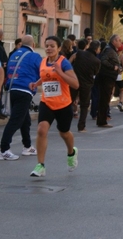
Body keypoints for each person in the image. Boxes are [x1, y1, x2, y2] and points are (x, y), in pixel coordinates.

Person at [28, 36, 79, 177]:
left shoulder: (64, 63)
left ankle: (71, 152)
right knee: (41, 130)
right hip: (47, 102)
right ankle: (40, 165)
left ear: (58, 48)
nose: (49, 48)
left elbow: (75, 84)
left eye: (52, 46)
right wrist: (36, 83)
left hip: (63, 104)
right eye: (47, 46)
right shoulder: (43, 62)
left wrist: (60, 72)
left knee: (64, 132)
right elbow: (46, 77)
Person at [0, 35, 42, 161]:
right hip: (25, 90)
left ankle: (27, 146)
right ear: (33, 45)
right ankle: (4, 149)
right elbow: (42, 72)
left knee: (25, 119)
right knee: (16, 120)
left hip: (13, 88)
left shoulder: (14, 54)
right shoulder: (35, 56)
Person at [70, 40, 101, 132]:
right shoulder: (97, 61)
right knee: (84, 105)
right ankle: (81, 126)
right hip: (86, 84)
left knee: (68, 102)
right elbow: (96, 72)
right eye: (99, 49)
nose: (99, 50)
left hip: (74, 81)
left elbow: (72, 58)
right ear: (96, 49)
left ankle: (63, 122)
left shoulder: (79, 53)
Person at [95, 34, 121, 127]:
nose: (120, 42)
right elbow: (103, 60)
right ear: (114, 41)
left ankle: (102, 120)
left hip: (108, 77)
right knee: (104, 99)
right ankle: (102, 121)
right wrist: (113, 67)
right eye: (119, 40)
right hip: (106, 77)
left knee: (105, 99)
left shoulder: (111, 49)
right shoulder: (109, 50)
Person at [114, 44, 123, 112]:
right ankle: (120, 102)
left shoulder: (113, 55)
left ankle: (107, 106)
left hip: (112, 74)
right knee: (122, 89)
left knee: (111, 90)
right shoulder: (122, 56)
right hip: (119, 76)